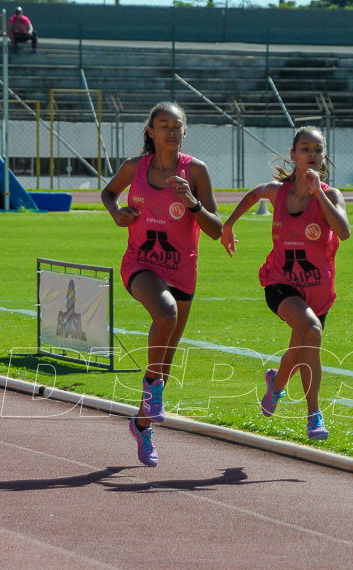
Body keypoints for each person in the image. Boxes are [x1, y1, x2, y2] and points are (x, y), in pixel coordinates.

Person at [100, 102, 222, 467]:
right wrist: (116, 213)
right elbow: (109, 193)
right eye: (162, 125)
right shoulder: (135, 168)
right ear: (151, 132)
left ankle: (142, 425)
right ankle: (152, 390)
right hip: (140, 263)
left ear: (185, 131)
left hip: (182, 271)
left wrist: (192, 202)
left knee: (164, 362)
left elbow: (216, 230)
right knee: (164, 313)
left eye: (176, 125)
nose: (170, 130)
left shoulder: (196, 170)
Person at [221, 128, 351, 442]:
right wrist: (228, 225)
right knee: (312, 332)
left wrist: (318, 193)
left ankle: (275, 385)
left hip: (318, 290)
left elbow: (344, 232)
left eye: (318, 150)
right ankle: (314, 415)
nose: (312, 155)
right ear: (292, 155)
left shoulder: (330, 195)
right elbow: (254, 194)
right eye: (305, 148)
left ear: (323, 157)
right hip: (279, 282)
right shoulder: (277, 192)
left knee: (298, 353)